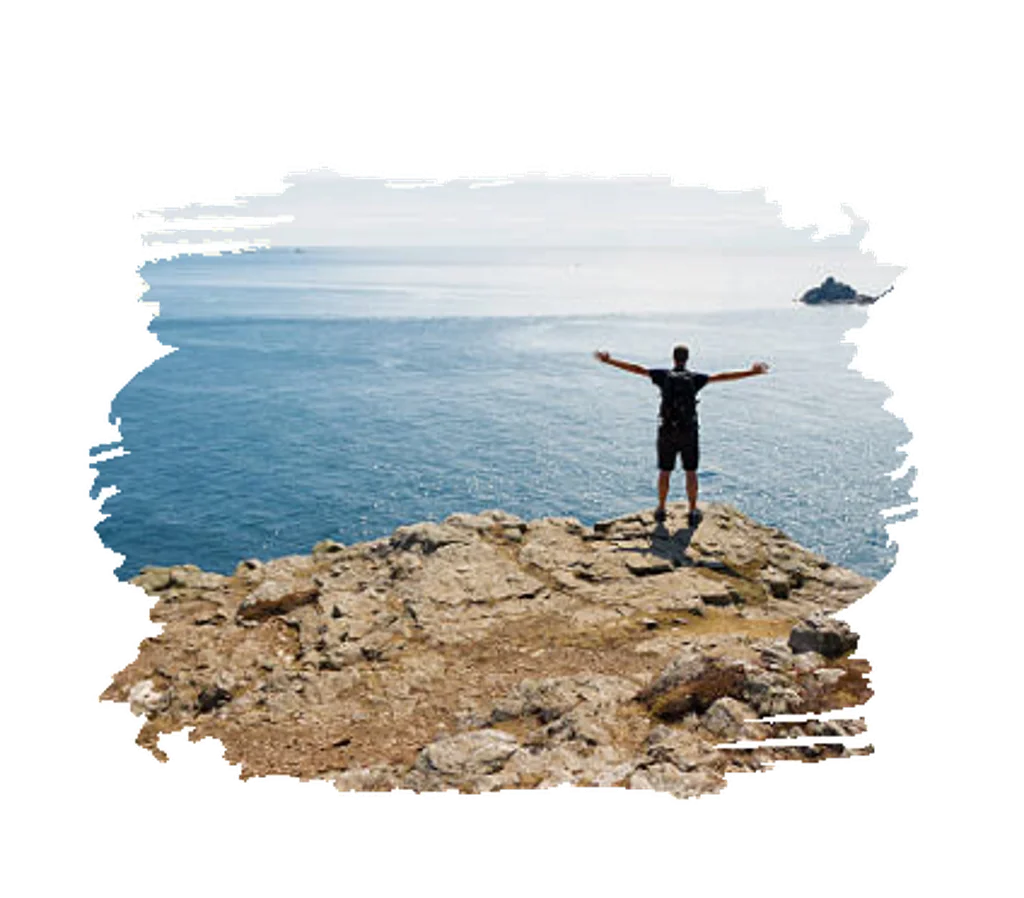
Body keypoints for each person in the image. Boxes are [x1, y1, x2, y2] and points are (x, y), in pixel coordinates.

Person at [594, 345, 769, 527]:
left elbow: (637, 369)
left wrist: (609, 361)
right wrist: (751, 372)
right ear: (687, 359)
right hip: (688, 431)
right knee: (691, 472)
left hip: (667, 431)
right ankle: (692, 511)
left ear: (673, 358)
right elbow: (723, 376)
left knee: (665, 471)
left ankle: (661, 509)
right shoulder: (695, 379)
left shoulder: (663, 376)